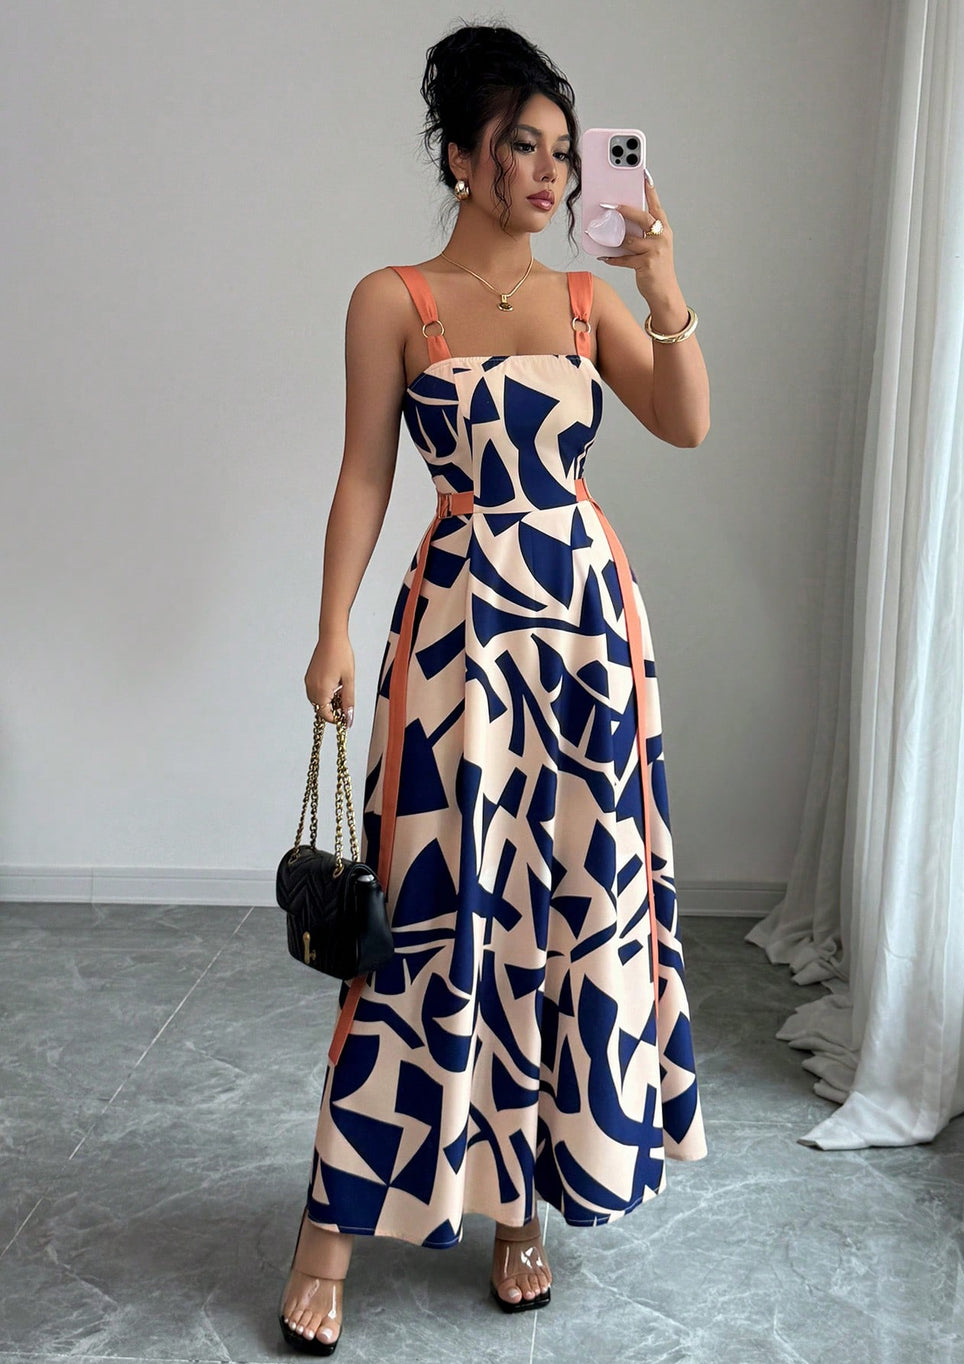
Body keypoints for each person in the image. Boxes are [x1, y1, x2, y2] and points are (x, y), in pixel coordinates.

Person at [278, 21, 710, 1353]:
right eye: (522, 145)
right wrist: (333, 628)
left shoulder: (586, 302)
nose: (550, 171)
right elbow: (365, 474)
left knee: (568, 904)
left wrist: (661, 283)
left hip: (584, 635)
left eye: (564, 151)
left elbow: (685, 420)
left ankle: (525, 1209)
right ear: (463, 158)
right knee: (429, 915)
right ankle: (329, 1234)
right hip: (458, 641)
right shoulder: (393, 300)